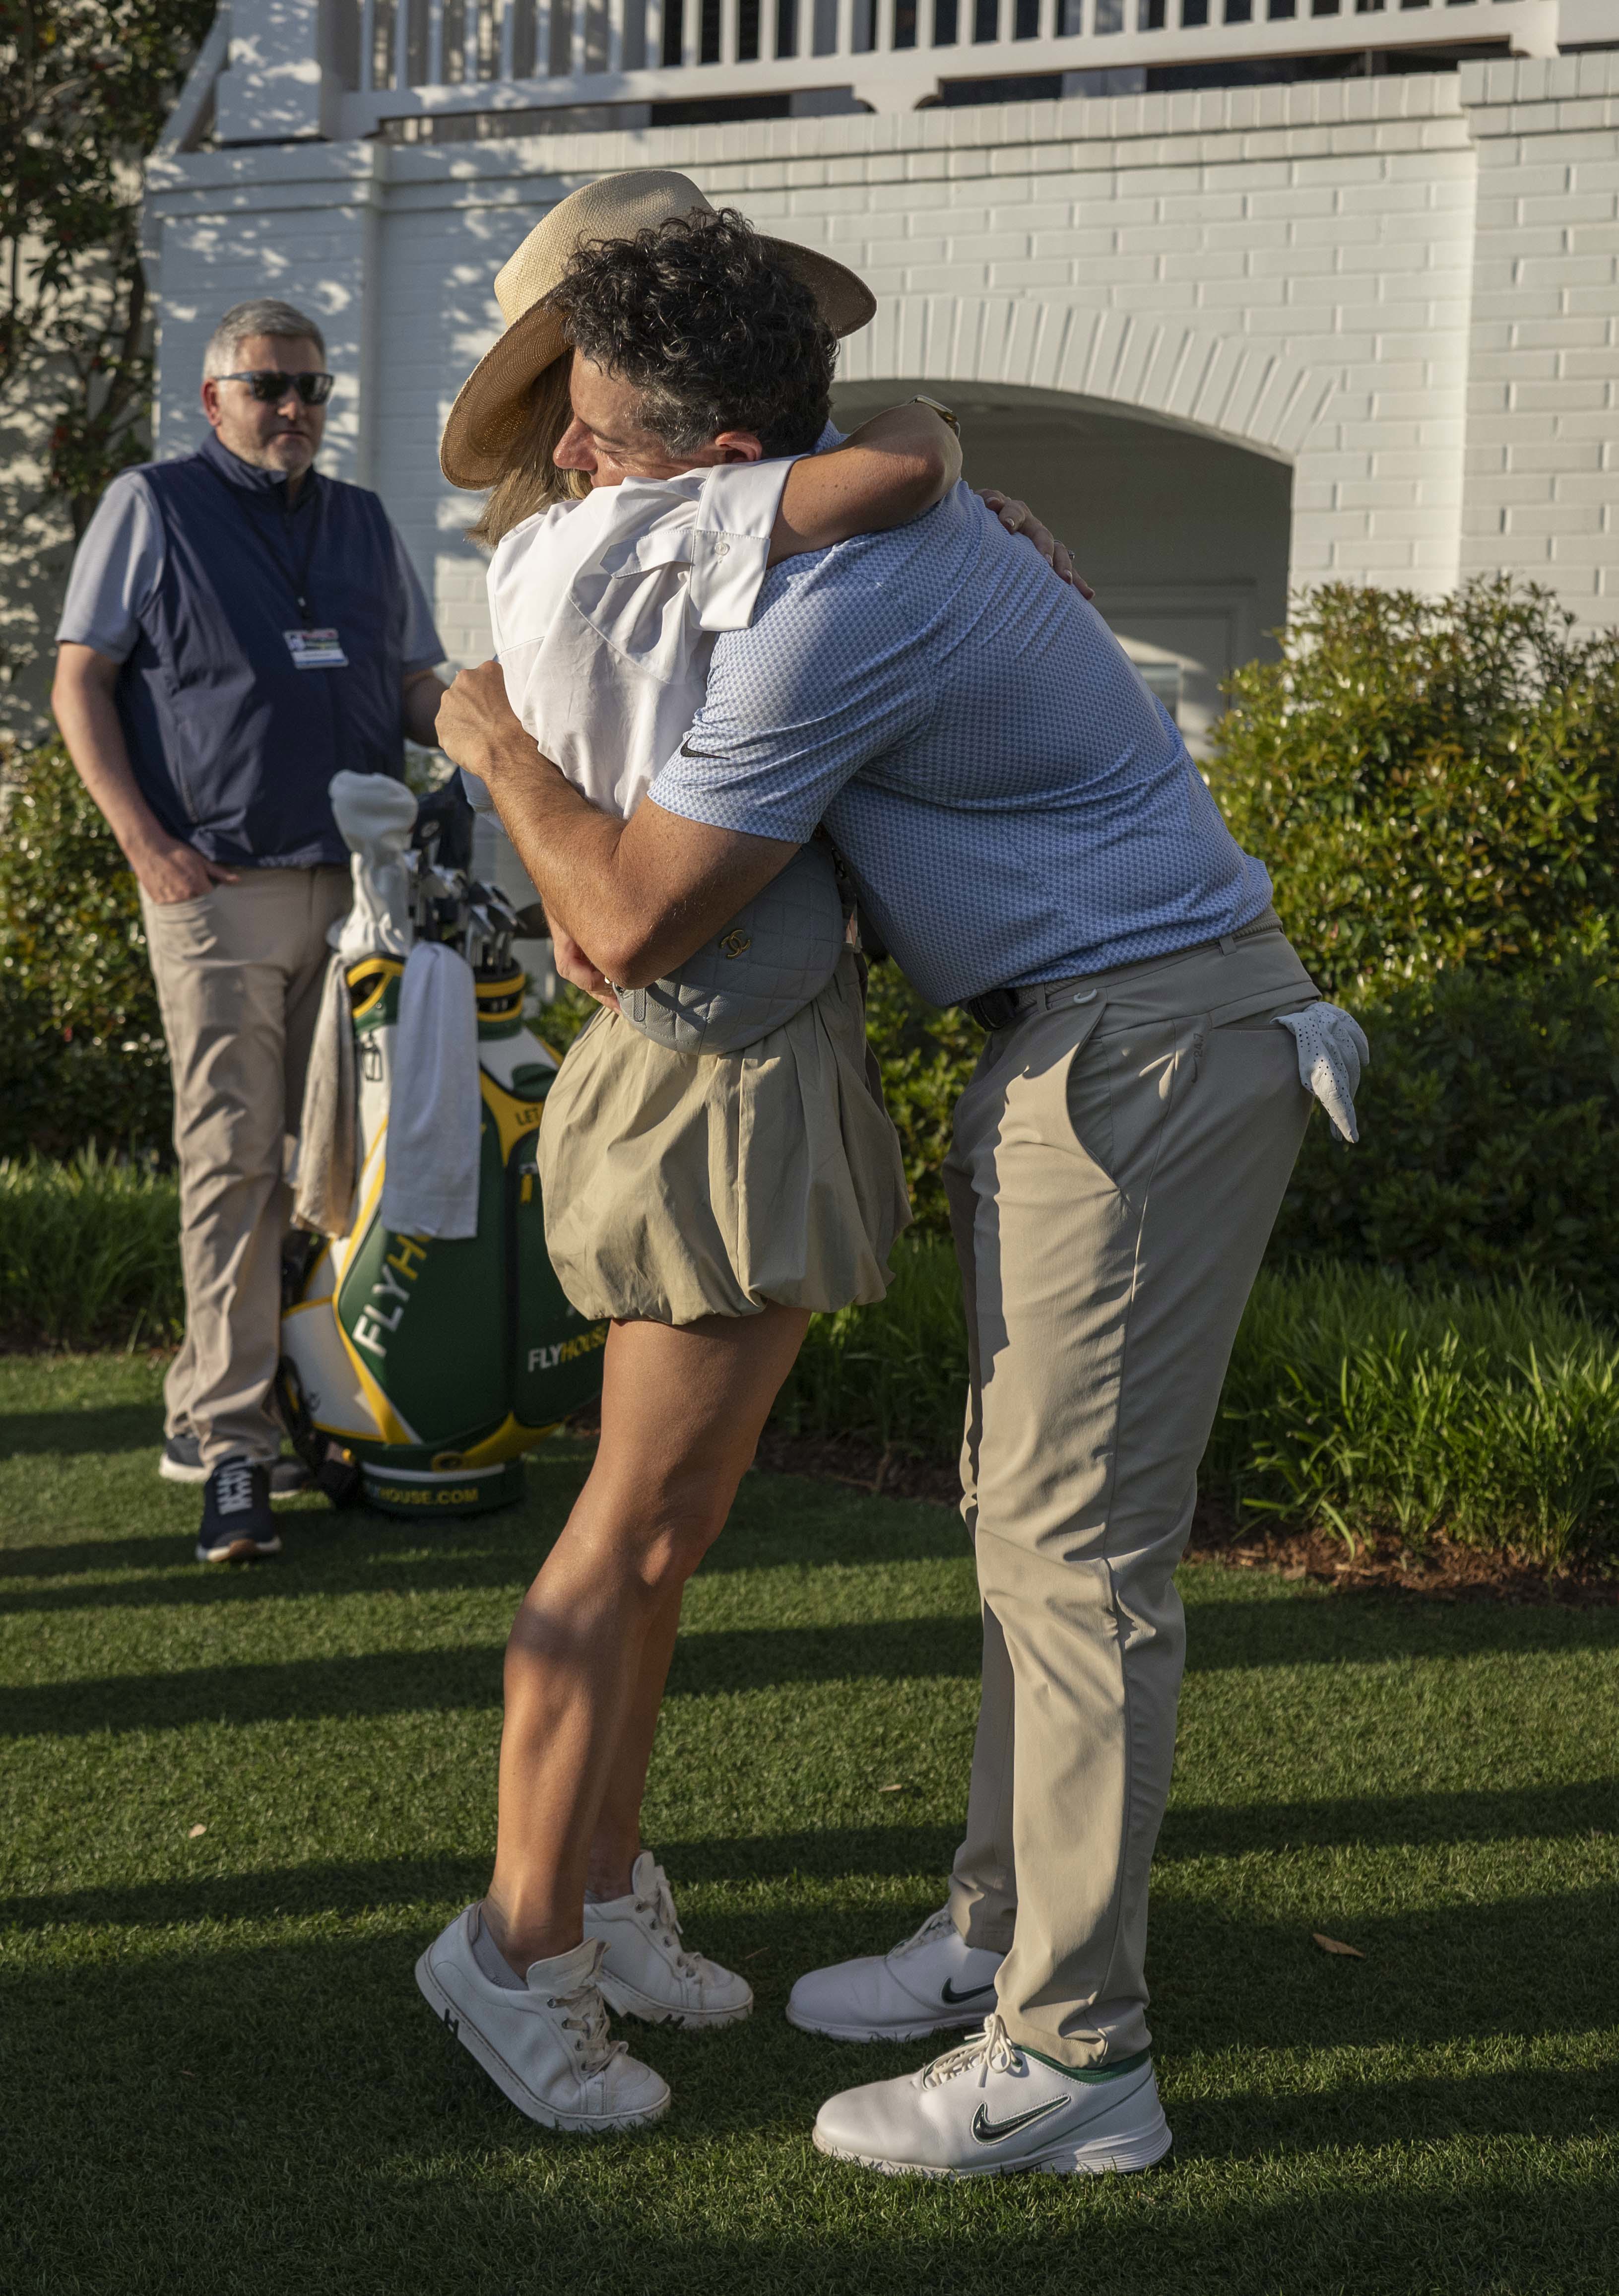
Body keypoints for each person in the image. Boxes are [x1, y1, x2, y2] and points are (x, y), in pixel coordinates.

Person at [441, 202, 1360, 2175]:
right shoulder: (782, 557)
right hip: (1096, 1038)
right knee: (1021, 1529)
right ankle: (995, 1929)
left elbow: (619, 914)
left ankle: (1072, 2054)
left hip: (1142, 1044)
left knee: (1072, 1563)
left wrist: (488, 737)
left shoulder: (824, 607)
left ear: (717, 469)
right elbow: (888, 466)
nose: (577, 464)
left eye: (601, 432)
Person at [414, 174, 1080, 2139]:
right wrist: (951, 484)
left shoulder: (631, 536)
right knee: (625, 1534)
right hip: (710, 1075)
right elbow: (895, 463)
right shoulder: (638, 524)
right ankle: (518, 1941)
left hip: (738, 1062)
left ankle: (599, 1893)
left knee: (671, 1532)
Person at [52, 298, 449, 1565]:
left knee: (329, 1169)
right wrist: (144, 844)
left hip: (359, 896)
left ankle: (275, 1396)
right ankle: (234, 1447)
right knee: (234, 1164)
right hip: (219, 893)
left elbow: (415, 687)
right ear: (213, 398)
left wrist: (518, 731)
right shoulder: (154, 505)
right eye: (269, 386)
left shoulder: (364, 524)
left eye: (312, 389)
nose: (294, 410)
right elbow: (78, 677)